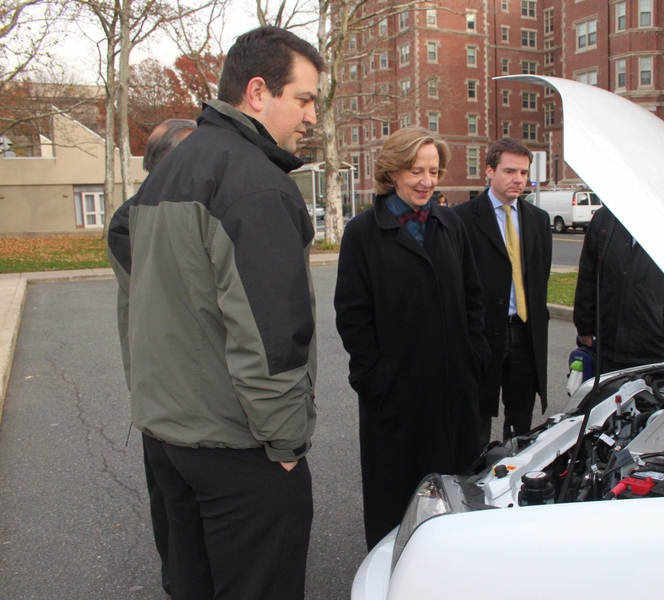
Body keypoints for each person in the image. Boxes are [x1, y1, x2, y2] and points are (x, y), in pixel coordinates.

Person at [125, 26, 323, 599]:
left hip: (168, 441)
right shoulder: (255, 185)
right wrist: (285, 447)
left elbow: (132, 285)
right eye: (304, 99)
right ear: (258, 92)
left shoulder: (170, 170)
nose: (311, 116)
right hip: (238, 452)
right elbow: (271, 338)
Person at [334, 127, 491, 550]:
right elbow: (352, 316)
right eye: (416, 170)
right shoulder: (363, 233)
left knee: (452, 501)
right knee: (396, 505)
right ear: (393, 171)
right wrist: (375, 380)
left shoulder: (450, 225)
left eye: (434, 171)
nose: (426, 181)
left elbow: (473, 296)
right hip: (396, 398)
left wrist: (474, 356)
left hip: (453, 394)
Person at [107, 117, 196, 598]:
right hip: (164, 400)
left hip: (183, 399)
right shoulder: (132, 221)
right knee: (175, 519)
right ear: (165, 168)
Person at [454, 138, 551, 447]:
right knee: (476, 416)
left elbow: (539, 278)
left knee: (520, 420)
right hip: (482, 333)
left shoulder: (538, 220)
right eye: (510, 171)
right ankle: (474, 481)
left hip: (525, 333)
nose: (518, 179)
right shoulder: (462, 219)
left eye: (523, 172)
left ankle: (513, 479)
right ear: (489, 171)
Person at [574, 207, 664, 374]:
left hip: (659, 356)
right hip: (608, 351)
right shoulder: (605, 217)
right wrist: (584, 327)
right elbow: (588, 275)